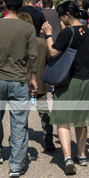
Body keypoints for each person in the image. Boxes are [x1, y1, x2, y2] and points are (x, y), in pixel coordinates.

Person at [0, 0, 37, 178]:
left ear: (3, 5)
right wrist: (33, 77)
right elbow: (33, 56)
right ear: (21, 6)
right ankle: (16, 164)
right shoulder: (28, 28)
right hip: (19, 79)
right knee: (19, 122)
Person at [42, 0, 89, 175]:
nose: (62, 20)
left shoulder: (67, 32)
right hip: (85, 80)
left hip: (68, 81)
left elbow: (53, 52)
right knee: (81, 120)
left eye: (62, 16)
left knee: (63, 119)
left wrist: (48, 34)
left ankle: (68, 157)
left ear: (67, 15)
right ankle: (82, 155)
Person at [19, 12, 55, 153]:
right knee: (43, 110)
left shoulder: (18, 43)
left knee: (21, 111)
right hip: (39, 80)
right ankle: (48, 137)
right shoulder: (41, 42)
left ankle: (21, 137)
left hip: (21, 82)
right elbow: (48, 62)